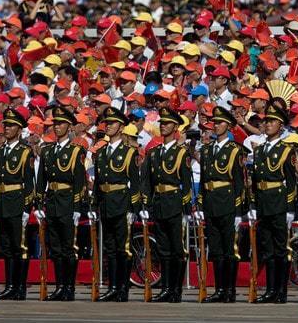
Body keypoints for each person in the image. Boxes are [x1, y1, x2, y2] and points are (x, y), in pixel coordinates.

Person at [140, 107, 192, 303]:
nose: (163, 126)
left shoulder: (181, 153)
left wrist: (187, 210)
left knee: (177, 249)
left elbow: (186, 184)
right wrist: (146, 204)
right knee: (163, 249)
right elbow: (147, 181)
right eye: (162, 123)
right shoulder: (154, 153)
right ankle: (166, 288)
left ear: (176, 127)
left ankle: (176, 290)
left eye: (167, 123)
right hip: (159, 203)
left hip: (175, 203)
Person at [89, 107, 141, 302]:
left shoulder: (129, 153)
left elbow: (134, 183)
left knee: (123, 248)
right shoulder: (101, 152)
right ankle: (112, 287)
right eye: (107, 123)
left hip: (121, 203)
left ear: (121, 127)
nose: (108, 126)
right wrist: (94, 205)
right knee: (110, 248)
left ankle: (122, 288)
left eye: (112, 123)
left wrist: (133, 208)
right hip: (106, 203)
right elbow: (98, 183)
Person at [35, 105, 86, 302]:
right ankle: (59, 286)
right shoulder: (47, 151)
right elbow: (41, 181)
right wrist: (39, 203)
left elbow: (79, 181)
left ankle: (69, 287)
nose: (56, 127)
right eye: (55, 124)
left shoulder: (75, 151)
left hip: (66, 202)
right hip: (53, 202)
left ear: (69, 126)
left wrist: (75, 207)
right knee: (55, 247)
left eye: (61, 124)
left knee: (68, 248)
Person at [249, 101, 297, 304]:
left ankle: (281, 291)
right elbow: (254, 181)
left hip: (278, 202)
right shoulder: (259, 151)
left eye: (272, 121)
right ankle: (269, 289)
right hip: (263, 203)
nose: (267, 124)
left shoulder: (287, 149)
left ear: (281, 125)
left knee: (280, 249)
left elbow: (291, 181)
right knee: (266, 249)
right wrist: (253, 204)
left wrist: (289, 208)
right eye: (266, 121)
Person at [196, 106, 245, 303]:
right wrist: (200, 205)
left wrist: (239, 210)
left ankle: (229, 290)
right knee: (215, 250)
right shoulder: (207, 150)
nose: (216, 126)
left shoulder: (235, 150)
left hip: (227, 203)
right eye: (215, 123)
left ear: (229, 126)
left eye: (220, 122)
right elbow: (204, 179)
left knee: (229, 250)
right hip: (210, 203)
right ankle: (218, 289)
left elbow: (240, 183)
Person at [0, 108, 36, 300]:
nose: (6, 128)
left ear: (19, 129)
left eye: (11, 126)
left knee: (20, 247)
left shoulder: (25, 152)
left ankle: (19, 287)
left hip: (17, 203)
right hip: (2, 203)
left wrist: (26, 208)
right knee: (6, 247)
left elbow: (29, 183)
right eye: (5, 125)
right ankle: (9, 285)